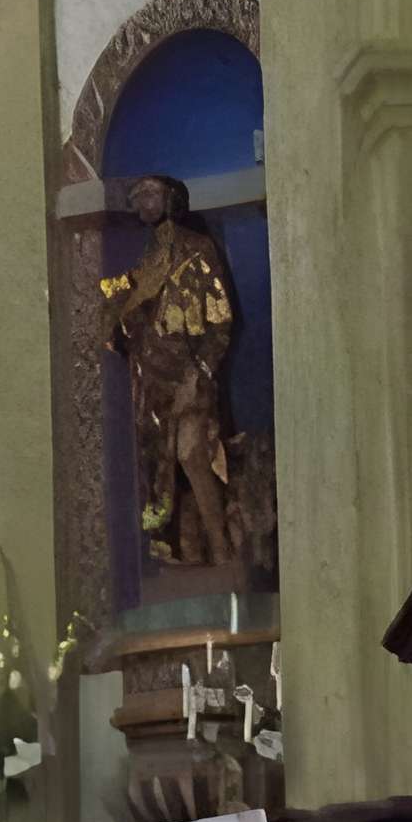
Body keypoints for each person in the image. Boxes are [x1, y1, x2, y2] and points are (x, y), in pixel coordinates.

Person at [101, 174, 262, 573]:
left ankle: (221, 547)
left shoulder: (196, 249)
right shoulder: (148, 258)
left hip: (189, 374)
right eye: (139, 195)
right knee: (156, 464)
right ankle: (172, 548)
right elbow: (128, 308)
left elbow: (220, 321)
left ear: (171, 197)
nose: (144, 201)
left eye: (152, 193)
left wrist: (199, 372)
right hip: (150, 377)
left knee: (192, 454)